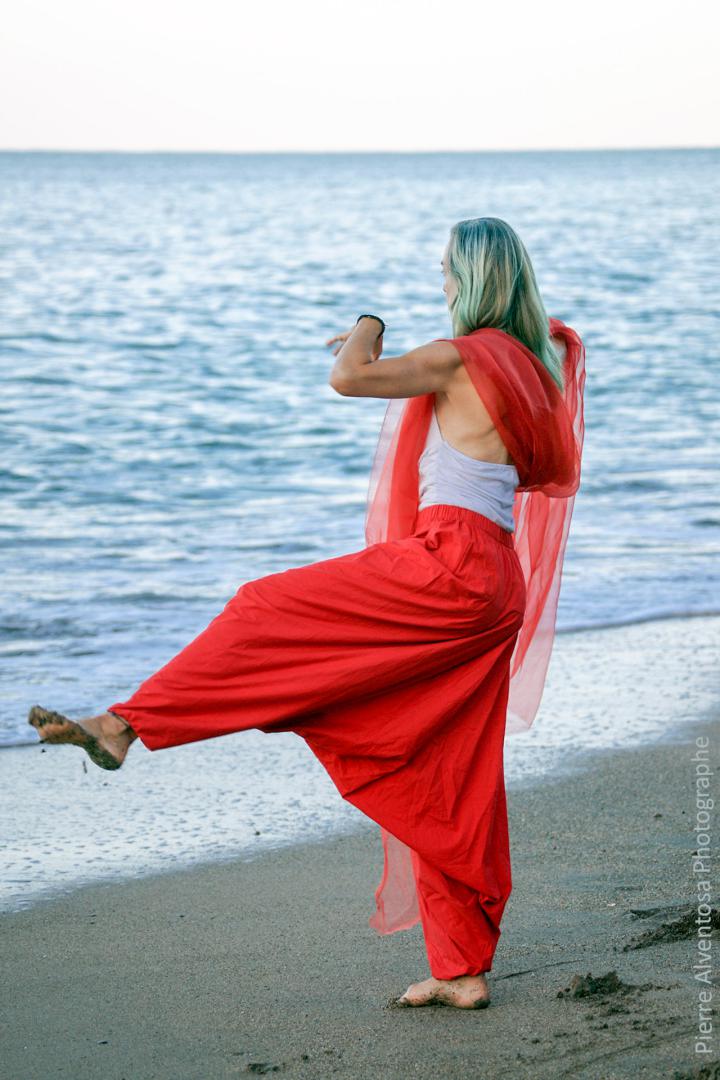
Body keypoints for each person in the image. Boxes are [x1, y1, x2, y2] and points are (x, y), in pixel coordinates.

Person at [28, 216, 586, 1012]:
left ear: (471, 278)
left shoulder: (459, 357)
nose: (442, 282)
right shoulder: (533, 368)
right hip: (497, 580)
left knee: (264, 608)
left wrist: (369, 323)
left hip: (452, 564)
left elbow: (349, 379)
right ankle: (461, 969)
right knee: (445, 766)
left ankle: (125, 726)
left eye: (447, 270)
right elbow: (540, 471)